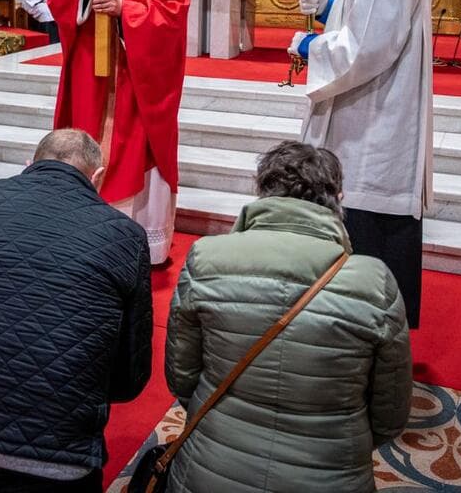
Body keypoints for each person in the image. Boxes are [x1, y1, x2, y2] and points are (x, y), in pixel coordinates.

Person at [164, 141, 413, 493]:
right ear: (338, 198)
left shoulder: (208, 257)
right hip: (330, 473)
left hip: (211, 463)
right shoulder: (374, 281)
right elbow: (390, 413)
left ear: (263, 191)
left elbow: (181, 375)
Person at [0, 129, 152, 493]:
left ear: (29, 165)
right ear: (96, 177)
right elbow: (130, 375)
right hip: (62, 461)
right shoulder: (125, 235)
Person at [293, 0, 433, 328]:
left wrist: (310, 45)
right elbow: (379, 23)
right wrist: (333, 4)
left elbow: (368, 48)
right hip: (382, 105)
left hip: (373, 114)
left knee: (367, 220)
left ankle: (362, 328)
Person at [46, 0, 190, 265]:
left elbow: (173, 15)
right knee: (85, 140)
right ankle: (83, 231)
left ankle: (141, 241)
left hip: (138, 78)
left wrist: (127, 7)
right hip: (90, 75)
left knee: (137, 146)